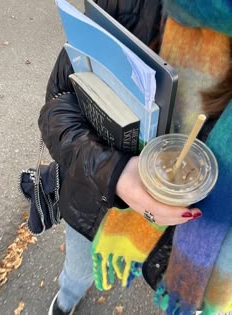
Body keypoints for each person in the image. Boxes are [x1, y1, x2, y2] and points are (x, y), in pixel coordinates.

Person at [38, 1, 231, 315]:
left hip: (181, 247)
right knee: (77, 269)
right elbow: (59, 103)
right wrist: (115, 174)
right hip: (97, 199)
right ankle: (67, 298)